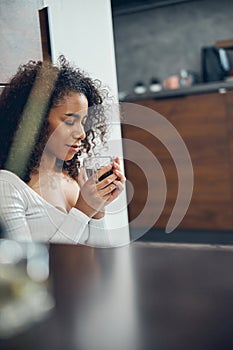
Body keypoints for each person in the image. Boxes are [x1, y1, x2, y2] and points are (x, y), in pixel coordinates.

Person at [0, 56, 125, 246]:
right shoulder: (8, 186)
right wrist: (82, 211)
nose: (82, 134)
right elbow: (24, 265)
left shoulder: (76, 179)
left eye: (83, 123)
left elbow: (102, 255)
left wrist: (98, 210)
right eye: (69, 121)